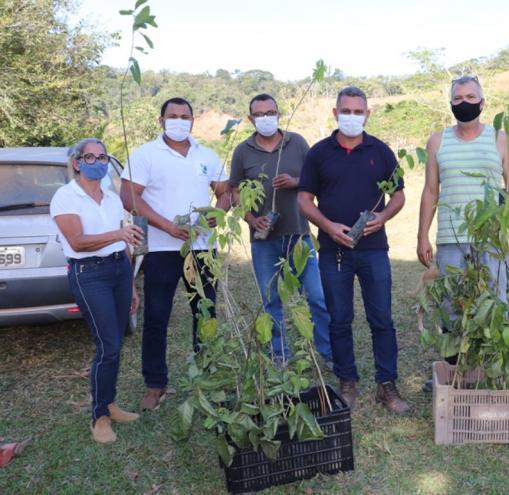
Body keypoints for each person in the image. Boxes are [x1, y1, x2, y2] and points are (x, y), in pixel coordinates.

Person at [298, 86, 409, 415]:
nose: (352, 116)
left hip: (374, 250)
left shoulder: (381, 151)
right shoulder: (319, 153)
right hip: (334, 250)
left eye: (358, 111)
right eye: (345, 110)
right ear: (335, 113)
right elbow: (304, 200)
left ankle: (386, 385)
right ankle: (347, 382)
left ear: (367, 114)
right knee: (339, 319)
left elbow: (399, 194)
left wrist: (383, 216)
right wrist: (329, 226)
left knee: (382, 319)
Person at [120, 97, 230, 411]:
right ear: (161, 120)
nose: (179, 121)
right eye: (173, 116)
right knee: (157, 316)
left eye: (185, 116)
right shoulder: (145, 155)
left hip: (202, 248)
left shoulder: (206, 155)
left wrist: (215, 215)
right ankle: (155, 384)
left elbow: (226, 192)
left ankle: (206, 378)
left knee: (205, 314)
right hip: (161, 250)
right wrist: (167, 226)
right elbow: (129, 197)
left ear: (193, 121)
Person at [416, 75, 509, 393]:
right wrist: (422, 235)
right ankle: (455, 374)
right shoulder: (437, 141)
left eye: (470, 97)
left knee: (493, 303)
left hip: (489, 238)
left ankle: (492, 372)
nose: (464, 103)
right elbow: (431, 190)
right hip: (450, 237)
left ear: (482, 102)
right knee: (451, 306)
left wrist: (505, 214)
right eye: (458, 98)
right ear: (450, 103)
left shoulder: (499, 138)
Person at [229, 94, 333, 367]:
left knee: (317, 296)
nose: (266, 118)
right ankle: (280, 353)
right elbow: (235, 191)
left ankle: (328, 351)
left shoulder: (296, 142)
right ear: (251, 119)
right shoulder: (242, 151)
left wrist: (295, 181)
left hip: (298, 236)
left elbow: (317, 180)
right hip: (264, 241)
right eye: (259, 114)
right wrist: (251, 219)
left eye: (270, 112)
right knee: (271, 299)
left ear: (279, 113)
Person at [51, 138, 143, 443]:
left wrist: (131, 285)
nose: (98, 162)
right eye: (90, 157)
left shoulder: (112, 197)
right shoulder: (66, 197)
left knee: (116, 342)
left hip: (118, 269)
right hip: (89, 274)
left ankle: (111, 403)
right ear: (77, 163)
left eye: (102, 157)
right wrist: (118, 233)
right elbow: (77, 241)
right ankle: (99, 416)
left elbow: (124, 244)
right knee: (108, 345)